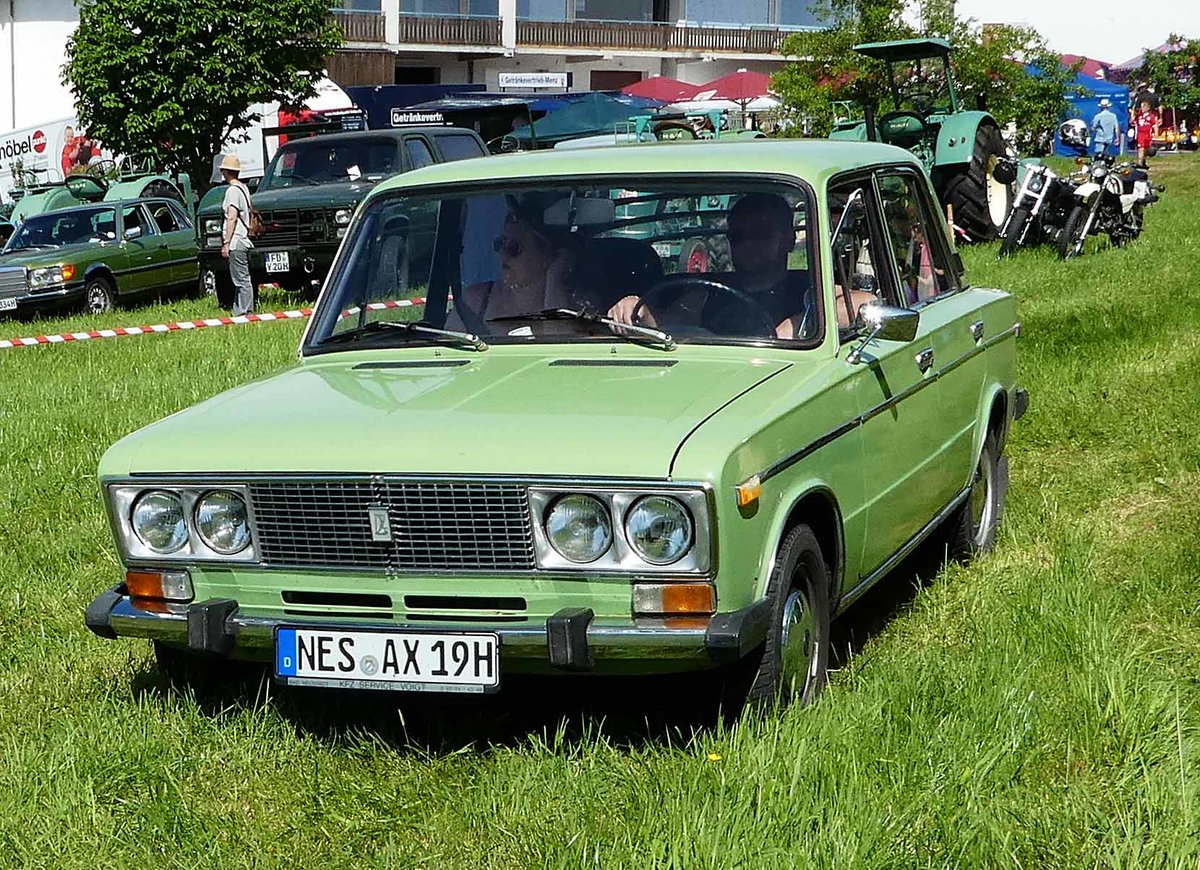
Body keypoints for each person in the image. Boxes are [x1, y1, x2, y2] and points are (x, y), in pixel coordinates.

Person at [608, 192, 874, 338]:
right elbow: (673, 322)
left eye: (761, 234)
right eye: (738, 236)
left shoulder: (807, 287)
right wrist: (638, 310)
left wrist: (801, 323)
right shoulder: (706, 291)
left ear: (789, 239)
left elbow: (865, 303)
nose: (748, 244)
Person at [446, 202, 581, 334]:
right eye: (500, 244)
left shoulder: (574, 302)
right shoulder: (475, 301)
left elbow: (561, 342)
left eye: (514, 248)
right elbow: (449, 346)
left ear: (546, 255)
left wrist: (554, 279)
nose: (503, 254)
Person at [218, 153, 255, 316]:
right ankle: (240, 309)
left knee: (241, 279)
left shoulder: (232, 191)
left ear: (227, 171)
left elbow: (232, 217)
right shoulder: (243, 188)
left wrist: (226, 242)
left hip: (237, 240)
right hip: (245, 239)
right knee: (243, 278)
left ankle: (244, 312)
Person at [1134, 99, 1159, 168]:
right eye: (1141, 107)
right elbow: (1133, 121)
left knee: (1146, 148)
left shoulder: (1151, 116)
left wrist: (1156, 133)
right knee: (1141, 148)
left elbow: (1154, 125)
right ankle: (1140, 162)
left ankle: (1143, 161)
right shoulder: (1139, 116)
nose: (1141, 108)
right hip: (1140, 134)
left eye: (1143, 107)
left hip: (1147, 134)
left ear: (1147, 108)